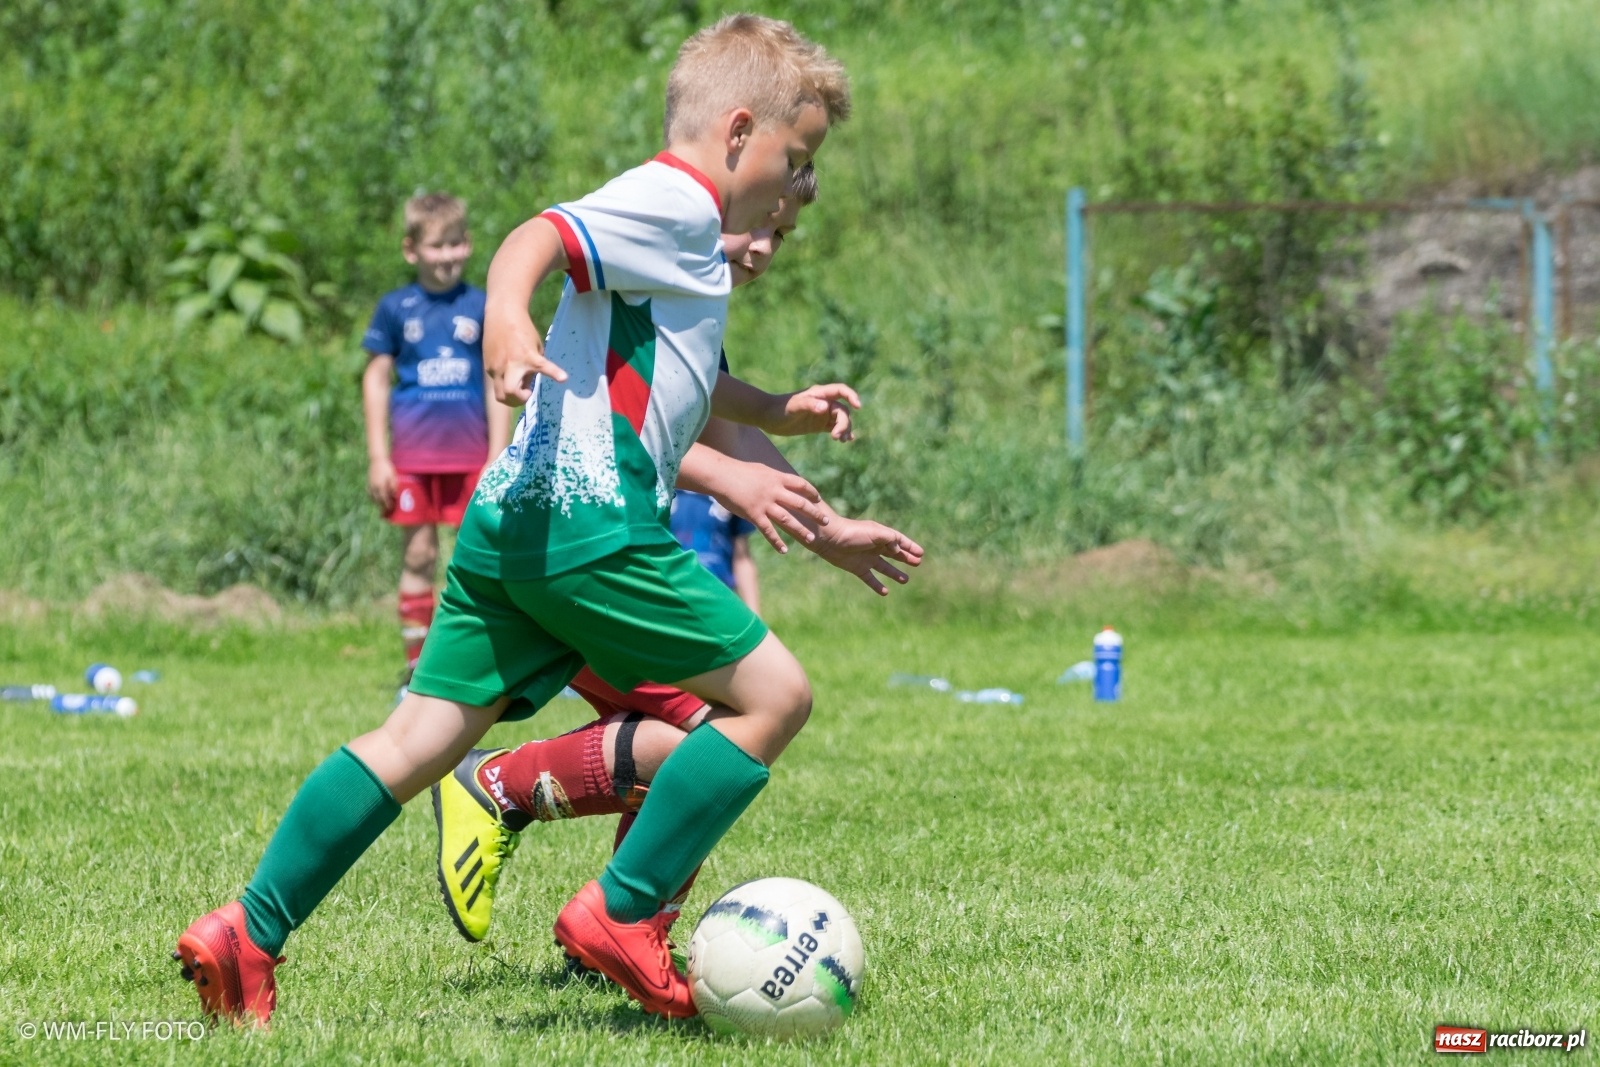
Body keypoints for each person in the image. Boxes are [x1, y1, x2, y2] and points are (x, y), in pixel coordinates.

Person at [173, 14, 915, 1026]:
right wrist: (510, 315)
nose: (795, 186)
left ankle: (247, 929)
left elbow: (677, 378)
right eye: (796, 159)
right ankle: (622, 910)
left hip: (509, 525)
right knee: (773, 697)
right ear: (738, 131)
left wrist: (775, 413)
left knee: (416, 738)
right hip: (591, 523)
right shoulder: (677, 197)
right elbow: (539, 236)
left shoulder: (687, 238)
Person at [432, 168, 833, 950]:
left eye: (781, 235)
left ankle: (622, 927)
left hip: (594, 549)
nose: (763, 247)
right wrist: (739, 471)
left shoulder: (691, 298)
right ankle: (507, 792)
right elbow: (619, 436)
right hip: (579, 549)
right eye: (758, 222)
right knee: (710, 731)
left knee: (701, 730)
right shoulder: (646, 264)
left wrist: (816, 497)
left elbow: (713, 413)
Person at [360, 193, 511, 684]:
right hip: (413, 458)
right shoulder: (395, 308)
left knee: (481, 560)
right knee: (420, 555)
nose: (447, 256)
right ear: (411, 250)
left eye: (455, 244)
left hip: (471, 458)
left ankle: (482, 662)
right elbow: (376, 380)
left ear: (467, 245)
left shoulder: (482, 306)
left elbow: (496, 380)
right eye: (436, 246)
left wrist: (497, 453)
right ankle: (415, 669)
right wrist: (378, 457)